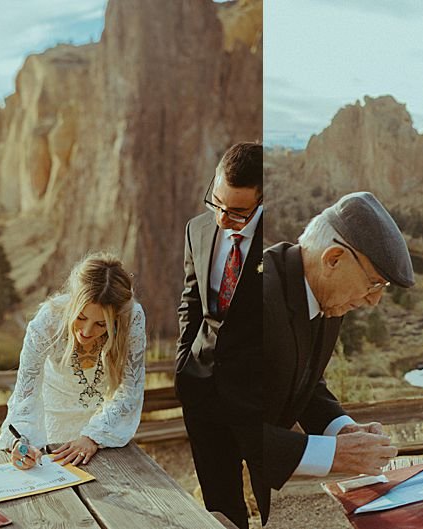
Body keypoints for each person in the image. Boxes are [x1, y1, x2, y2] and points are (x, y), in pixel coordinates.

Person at [255, 191, 412, 524]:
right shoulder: (254, 300)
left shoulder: (326, 293)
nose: (375, 301)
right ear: (334, 258)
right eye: (373, 283)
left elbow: (305, 380)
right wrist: (334, 455)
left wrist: (342, 431)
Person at [176, 141, 264, 528]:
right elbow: (190, 303)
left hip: (258, 405)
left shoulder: (281, 244)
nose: (223, 219)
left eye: (238, 213)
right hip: (202, 394)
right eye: (217, 204)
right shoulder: (197, 228)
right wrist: (183, 368)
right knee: (221, 512)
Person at [0, 253, 146, 469]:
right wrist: (22, 441)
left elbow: (130, 389)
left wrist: (94, 436)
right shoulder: (47, 321)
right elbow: (26, 392)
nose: (86, 331)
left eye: (101, 324)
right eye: (81, 317)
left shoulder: (133, 318)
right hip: (51, 421)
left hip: (105, 428)